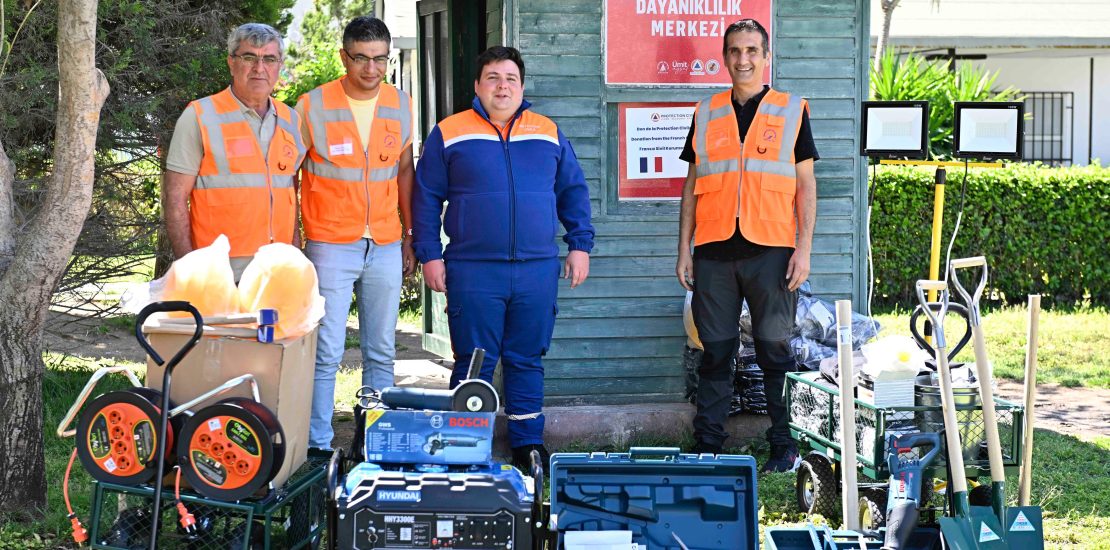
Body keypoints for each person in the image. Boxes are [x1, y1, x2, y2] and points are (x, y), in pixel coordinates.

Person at [413, 46, 595, 470]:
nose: (502, 86)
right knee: (475, 359)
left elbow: (573, 191)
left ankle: (527, 442)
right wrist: (429, 255)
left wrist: (580, 245)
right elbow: (425, 199)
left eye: (510, 78)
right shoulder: (450, 131)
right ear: (477, 86)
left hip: (536, 268)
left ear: (522, 86)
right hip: (474, 269)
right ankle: (464, 442)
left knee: (527, 357)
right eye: (493, 77)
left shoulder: (547, 131)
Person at [675, 19, 819, 472]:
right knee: (715, 352)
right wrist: (684, 249)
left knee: (775, 351)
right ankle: (709, 447)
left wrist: (804, 248)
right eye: (735, 51)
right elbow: (690, 187)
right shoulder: (706, 112)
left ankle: (783, 447)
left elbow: (806, 186)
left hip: (772, 248)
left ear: (766, 56)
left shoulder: (792, 110)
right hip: (714, 249)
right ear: (725, 57)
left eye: (752, 50)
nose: (743, 59)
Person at [296, 16, 416, 451]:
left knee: (382, 352)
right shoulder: (311, 106)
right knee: (326, 351)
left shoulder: (401, 103)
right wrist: (295, 238)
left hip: (384, 241)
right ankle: (318, 445)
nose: (371, 68)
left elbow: (404, 170)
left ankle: (376, 443)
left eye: (380, 59)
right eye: (362, 58)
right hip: (330, 243)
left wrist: (411, 234)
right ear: (344, 56)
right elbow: (287, 172)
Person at [164, 23, 306, 280]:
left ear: (279, 65)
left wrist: (295, 256)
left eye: (269, 59)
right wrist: (188, 269)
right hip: (218, 273)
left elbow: (288, 194)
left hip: (277, 273)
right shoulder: (199, 116)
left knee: (273, 324)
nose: (259, 69)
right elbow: (174, 199)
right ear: (231, 63)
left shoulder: (291, 120)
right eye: (249, 57)